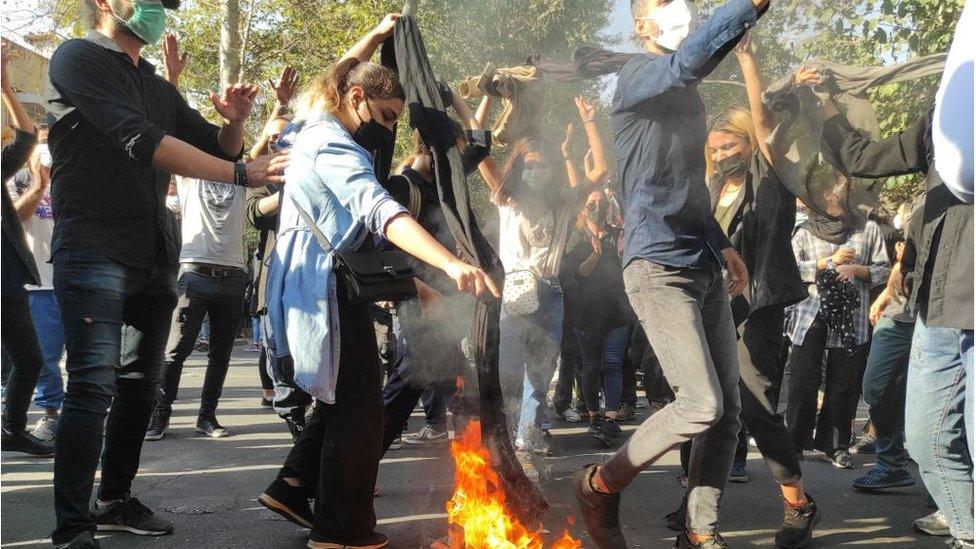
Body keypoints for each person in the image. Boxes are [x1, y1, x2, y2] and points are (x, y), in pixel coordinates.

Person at [45, 0, 287, 545]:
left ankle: (114, 499)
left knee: (139, 385)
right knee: (90, 386)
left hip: (154, 254)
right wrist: (238, 172)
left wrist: (236, 123)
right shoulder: (77, 58)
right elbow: (141, 140)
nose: (158, 9)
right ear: (106, 3)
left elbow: (212, 142)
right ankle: (71, 527)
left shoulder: (154, 84)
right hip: (94, 246)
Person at [256, 16, 498, 549]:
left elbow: (335, 76)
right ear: (359, 98)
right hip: (325, 290)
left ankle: (296, 489)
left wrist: (375, 37)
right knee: (361, 414)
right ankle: (342, 530)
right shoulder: (333, 144)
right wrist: (452, 264)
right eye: (387, 116)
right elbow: (378, 210)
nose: (390, 130)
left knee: (349, 404)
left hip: (323, 285)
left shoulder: (318, 122)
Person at [571, 0, 761, 547]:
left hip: (701, 266)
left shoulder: (687, 94)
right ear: (641, 23)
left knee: (726, 416)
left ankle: (700, 532)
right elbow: (688, 63)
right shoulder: (638, 75)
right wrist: (746, 9)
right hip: (656, 266)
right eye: (664, 2)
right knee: (700, 404)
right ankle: (601, 483)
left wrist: (723, 244)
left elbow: (691, 188)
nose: (680, 9)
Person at [819, 95, 974, 548]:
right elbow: (866, 157)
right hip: (937, 306)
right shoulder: (948, 109)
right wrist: (828, 107)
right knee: (926, 440)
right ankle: (966, 526)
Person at [476, 95, 604, 457]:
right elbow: (477, 151)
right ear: (519, 169)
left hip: (550, 293)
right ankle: (503, 434)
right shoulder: (507, 200)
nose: (537, 171)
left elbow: (600, 172)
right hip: (515, 292)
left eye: (543, 165)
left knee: (541, 373)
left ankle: (528, 438)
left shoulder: (564, 203)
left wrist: (590, 122)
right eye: (530, 166)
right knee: (507, 372)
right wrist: (486, 99)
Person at [380, 83, 492, 449]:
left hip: (451, 299)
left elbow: (480, 143)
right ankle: (362, 459)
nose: (454, 165)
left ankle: (473, 461)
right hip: (419, 300)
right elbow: (389, 251)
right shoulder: (402, 187)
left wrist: (456, 99)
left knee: (453, 380)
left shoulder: (447, 182)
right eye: (446, 155)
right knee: (409, 379)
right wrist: (425, 292)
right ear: (428, 149)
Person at [785, 211, 889, 468]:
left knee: (845, 381)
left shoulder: (868, 228)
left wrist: (859, 270)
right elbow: (787, 268)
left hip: (853, 315)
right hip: (810, 312)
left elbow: (885, 269)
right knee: (803, 376)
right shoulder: (806, 230)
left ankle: (835, 445)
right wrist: (826, 262)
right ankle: (795, 442)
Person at [0, 41, 54, 457]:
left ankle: (12, 430)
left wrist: (5, 85)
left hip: (8, 277)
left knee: (29, 359)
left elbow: (24, 138)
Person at [851, 201, 919, 491]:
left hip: (943, 315)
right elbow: (904, 258)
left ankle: (951, 488)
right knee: (875, 387)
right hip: (899, 312)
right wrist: (885, 296)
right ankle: (891, 464)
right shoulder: (922, 200)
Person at [560, 187, 633, 447]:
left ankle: (611, 418)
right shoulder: (575, 237)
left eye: (601, 202)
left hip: (616, 313)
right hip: (586, 315)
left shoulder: (618, 235)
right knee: (590, 367)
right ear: (583, 207)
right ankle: (594, 417)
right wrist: (596, 254)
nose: (597, 207)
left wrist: (623, 250)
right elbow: (579, 272)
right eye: (592, 202)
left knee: (612, 364)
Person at [6, 128, 66, 443]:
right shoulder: (16, 182)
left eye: (50, 143)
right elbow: (13, 220)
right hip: (38, 286)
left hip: (73, 282)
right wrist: (39, 186)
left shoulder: (72, 178)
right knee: (43, 357)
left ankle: (88, 414)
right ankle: (50, 413)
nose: (46, 149)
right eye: (41, 143)